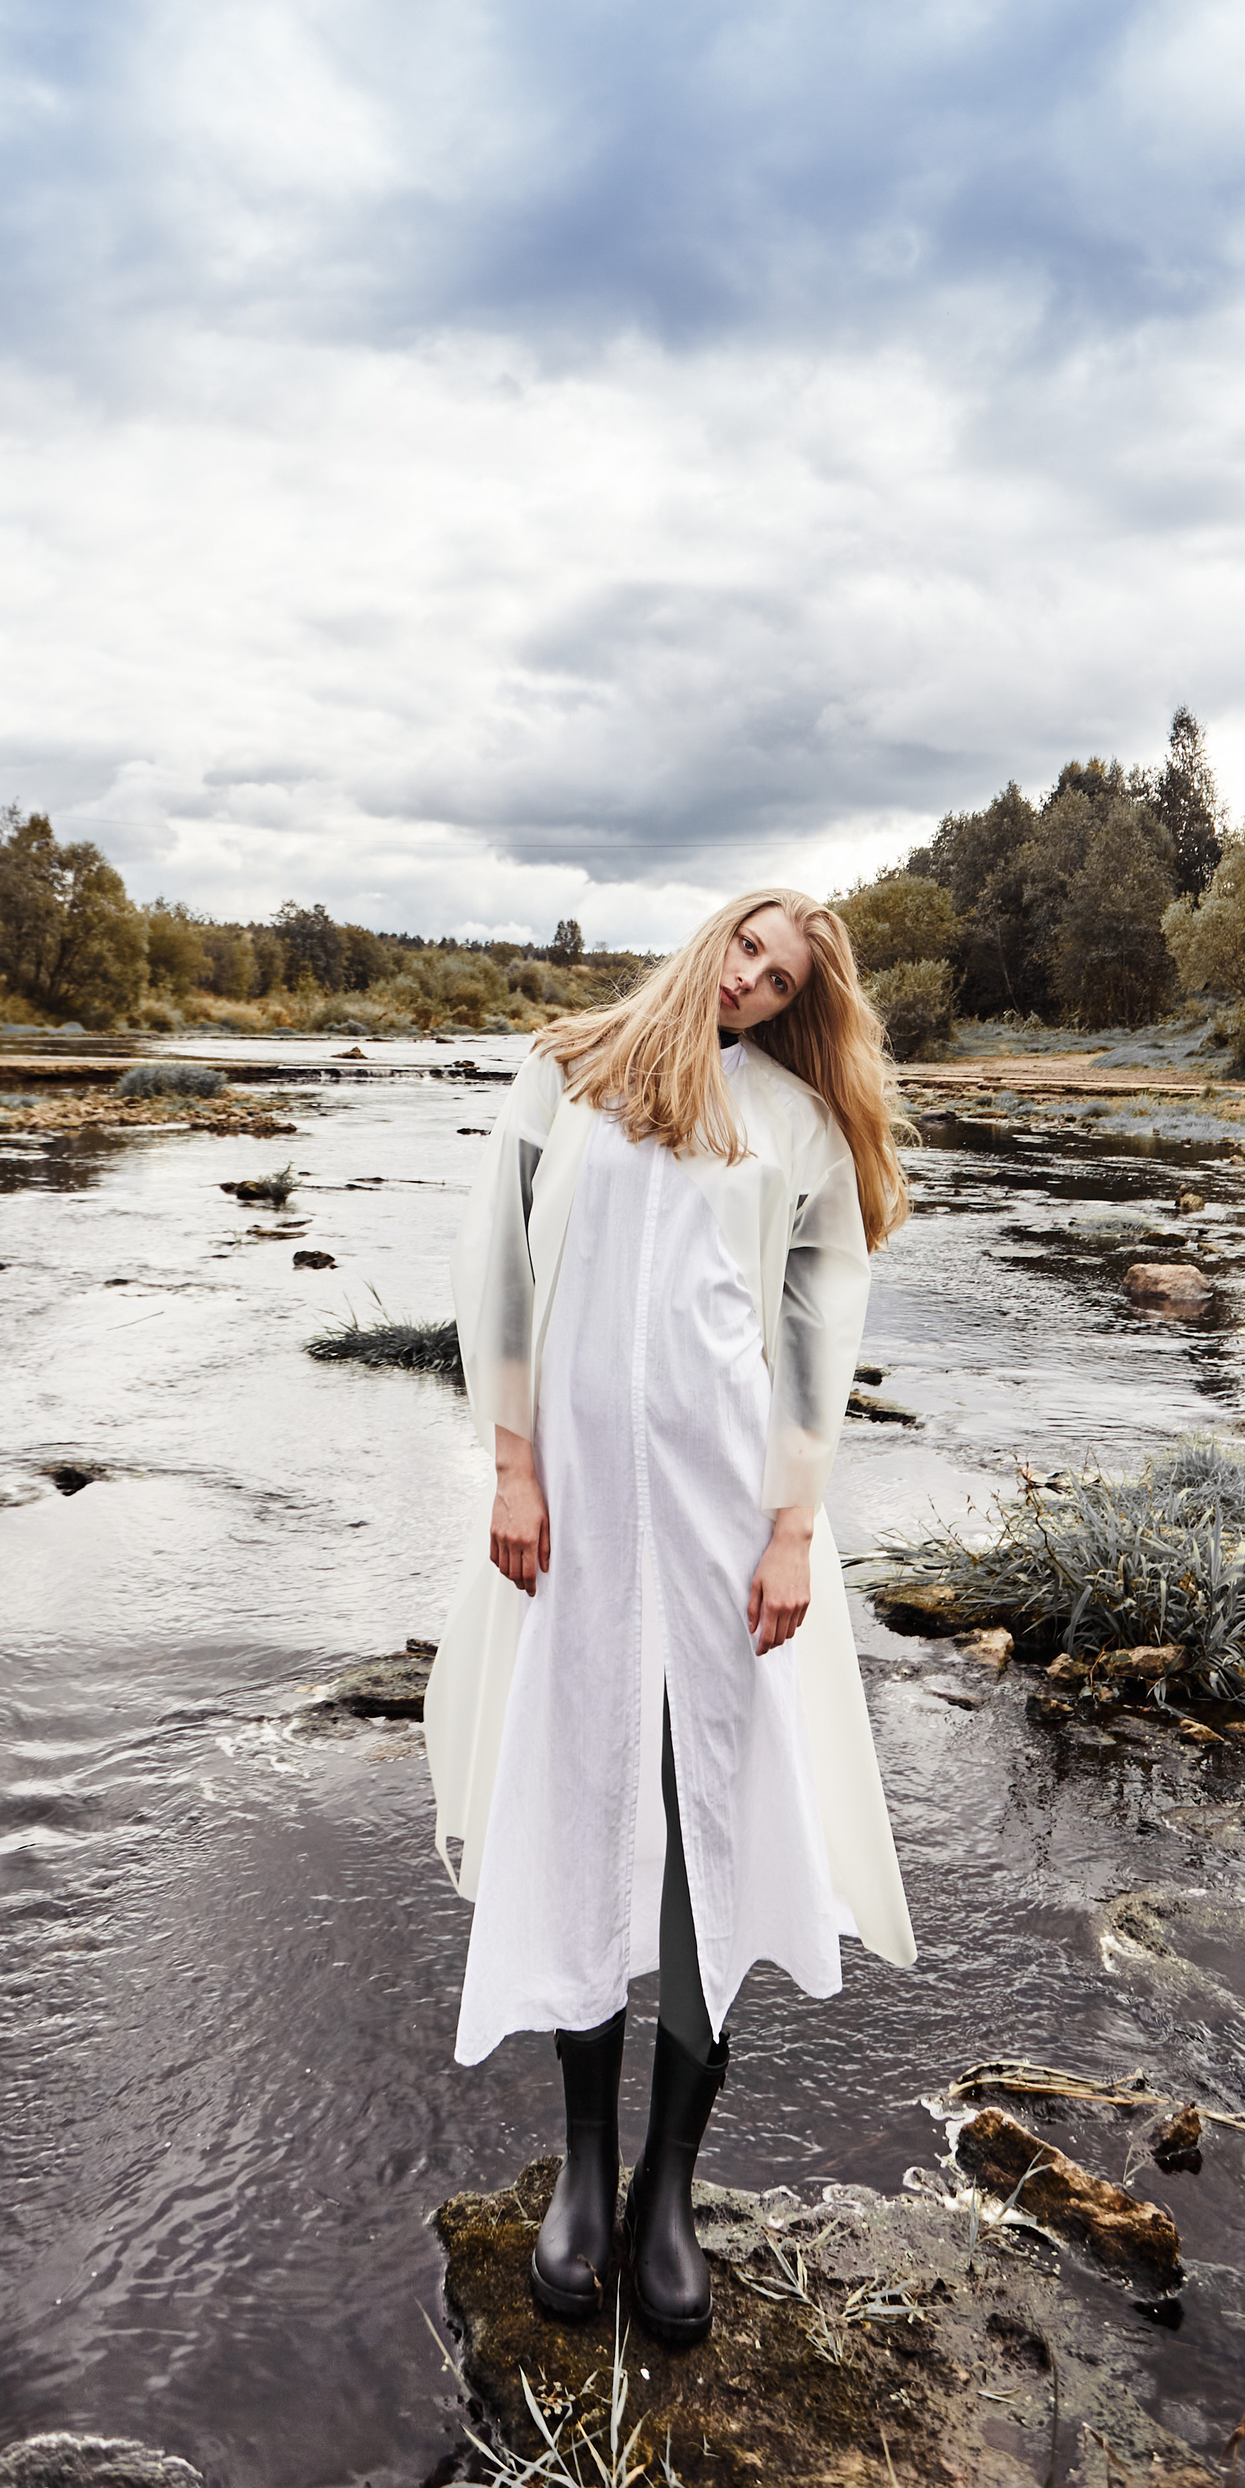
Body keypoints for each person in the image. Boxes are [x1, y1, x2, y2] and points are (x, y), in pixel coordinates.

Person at [422, 887, 917, 2348]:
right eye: (747, 948)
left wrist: (792, 1531)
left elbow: (822, 1339)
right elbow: (497, 1276)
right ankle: (584, 2163)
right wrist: (510, 1464)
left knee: (715, 1807)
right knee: (582, 1798)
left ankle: (672, 2186)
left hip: (724, 1520)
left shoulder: (799, 1126)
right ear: (711, 937)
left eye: (782, 980)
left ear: (797, 1004)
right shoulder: (566, 1075)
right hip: (569, 1514)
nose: (754, 983)